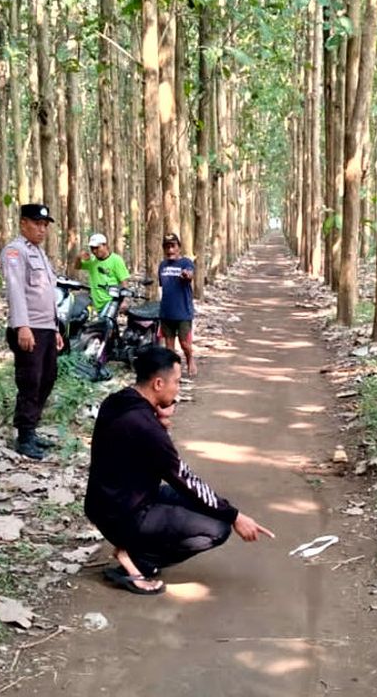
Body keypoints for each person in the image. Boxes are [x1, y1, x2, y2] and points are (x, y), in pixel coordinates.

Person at [83, 346, 273, 595]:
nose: (178, 389)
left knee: (209, 509)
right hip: (123, 514)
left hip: (110, 502)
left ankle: (133, 550)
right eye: (177, 382)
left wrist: (158, 418)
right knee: (218, 529)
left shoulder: (117, 401)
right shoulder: (145, 426)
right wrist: (236, 516)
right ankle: (136, 563)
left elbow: (137, 448)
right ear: (158, 383)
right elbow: (184, 479)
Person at [0, 204, 64, 460]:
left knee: (47, 378)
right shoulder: (15, 252)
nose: (42, 229)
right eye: (37, 223)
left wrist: (55, 327)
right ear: (23, 223)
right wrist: (22, 326)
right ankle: (24, 435)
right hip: (29, 328)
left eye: (45, 224)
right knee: (30, 381)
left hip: (45, 327)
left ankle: (33, 429)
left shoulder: (39, 254)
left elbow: (46, 294)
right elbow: (15, 291)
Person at [158, 232, 197, 376]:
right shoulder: (162, 265)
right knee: (169, 347)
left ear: (179, 247)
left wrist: (187, 275)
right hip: (166, 311)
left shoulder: (186, 263)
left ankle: (190, 359)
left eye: (173, 246)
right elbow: (162, 286)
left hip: (183, 312)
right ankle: (173, 371)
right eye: (167, 247)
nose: (170, 250)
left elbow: (190, 274)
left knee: (184, 343)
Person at [73, 232, 130, 313]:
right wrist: (78, 258)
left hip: (111, 302)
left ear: (105, 245)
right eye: (92, 248)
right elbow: (77, 267)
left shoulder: (116, 260)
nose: (94, 251)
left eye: (97, 247)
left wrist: (125, 301)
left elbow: (124, 282)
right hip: (96, 304)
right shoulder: (92, 260)